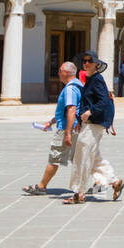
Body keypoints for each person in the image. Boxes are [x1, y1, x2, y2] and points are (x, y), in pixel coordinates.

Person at [68, 50, 124, 204]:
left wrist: (89, 112)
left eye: (89, 61)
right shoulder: (90, 79)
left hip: (94, 123)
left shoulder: (97, 79)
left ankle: (79, 193)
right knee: (93, 157)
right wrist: (81, 120)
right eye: (84, 61)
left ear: (96, 64)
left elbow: (103, 101)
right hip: (89, 123)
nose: (86, 63)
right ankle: (114, 181)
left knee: (83, 155)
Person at [23, 61, 82, 196]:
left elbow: (71, 110)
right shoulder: (78, 85)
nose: (58, 73)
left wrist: (67, 133)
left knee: (54, 158)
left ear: (66, 73)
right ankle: (101, 181)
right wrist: (51, 122)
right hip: (73, 127)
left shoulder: (70, 89)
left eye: (60, 70)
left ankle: (41, 186)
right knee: (78, 159)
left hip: (67, 129)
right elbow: (67, 111)